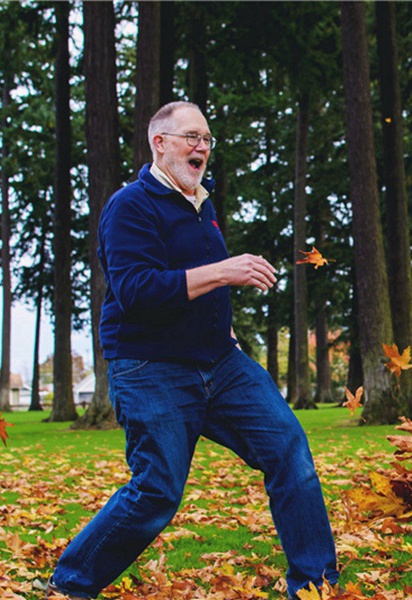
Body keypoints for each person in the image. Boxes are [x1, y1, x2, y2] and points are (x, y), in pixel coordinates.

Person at [46, 101, 339, 599]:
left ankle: (316, 585)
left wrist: (222, 327)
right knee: (156, 490)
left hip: (221, 365)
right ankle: (70, 584)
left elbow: (195, 284)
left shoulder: (202, 205)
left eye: (206, 139)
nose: (201, 147)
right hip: (150, 368)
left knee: (290, 451)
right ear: (159, 144)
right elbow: (137, 290)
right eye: (190, 137)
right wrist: (225, 271)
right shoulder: (129, 206)